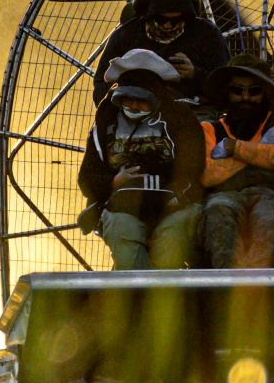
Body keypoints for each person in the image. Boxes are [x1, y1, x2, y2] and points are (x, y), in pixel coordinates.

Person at [77, 49, 206, 270]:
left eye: (141, 100)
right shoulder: (105, 122)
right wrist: (114, 182)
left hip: (174, 207)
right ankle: (135, 294)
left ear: (156, 99)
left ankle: (161, 298)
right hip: (121, 208)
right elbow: (87, 177)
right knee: (127, 251)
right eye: (128, 100)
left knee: (169, 254)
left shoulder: (180, 119)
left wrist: (173, 190)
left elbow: (194, 166)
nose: (134, 106)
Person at [198, 55, 274, 269]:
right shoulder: (210, 129)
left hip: (270, 195)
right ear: (227, 92)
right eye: (237, 90)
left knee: (267, 219)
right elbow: (207, 175)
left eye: (254, 91)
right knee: (218, 211)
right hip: (224, 196)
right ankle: (228, 289)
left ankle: (256, 290)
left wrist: (232, 149)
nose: (245, 97)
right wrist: (263, 147)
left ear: (265, 93)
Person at [93, 0, 230, 104]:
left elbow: (227, 86)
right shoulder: (126, 35)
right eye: (161, 19)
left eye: (176, 20)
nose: (168, 26)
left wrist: (194, 74)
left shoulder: (206, 34)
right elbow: (100, 84)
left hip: (193, 114)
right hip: (137, 110)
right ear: (146, 12)